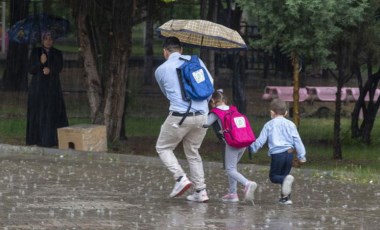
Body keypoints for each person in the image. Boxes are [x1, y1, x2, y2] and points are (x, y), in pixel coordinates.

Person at [154, 36, 213, 202]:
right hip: (202, 116)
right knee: (193, 152)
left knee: (163, 147)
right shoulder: (196, 62)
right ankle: (201, 191)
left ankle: (180, 178)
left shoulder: (161, 70)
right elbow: (210, 85)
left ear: (165, 52)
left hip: (180, 116)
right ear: (181, 50)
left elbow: (167, 93)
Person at [203, 89, 257, 204]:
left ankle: (248, 183)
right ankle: (233, 194)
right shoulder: (233, 109)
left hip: (232, 143)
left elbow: (205, 124)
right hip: (243, 141)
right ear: (225, 100)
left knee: (230, 169)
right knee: (233, 168)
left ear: (213, 100)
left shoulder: (216, 112)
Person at [249, 99, 306, 205]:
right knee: (285, 175)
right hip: (289, 153)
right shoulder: (291, 124)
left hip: (277, 155)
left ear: (272, 113)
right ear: (286, 113)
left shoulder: (269, 125)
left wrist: (253, 148)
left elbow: (261, 140)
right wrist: (301, 155)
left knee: (274, 176)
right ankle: (286, 198)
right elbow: (297, 140)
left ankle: (285, 185)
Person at [26, 31, 68, 147]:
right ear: (42, 40)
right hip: (38, 87)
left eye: (50, 39)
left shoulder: (57, 53)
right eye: (46, 39)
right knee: (39, 112)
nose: (48, 41)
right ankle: (37, 139)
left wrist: (50, 70)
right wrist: (41, 63)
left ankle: (51, 139)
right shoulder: (36, 52)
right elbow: (31, 69)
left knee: (51, 112)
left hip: (52, 87)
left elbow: (59, 67)